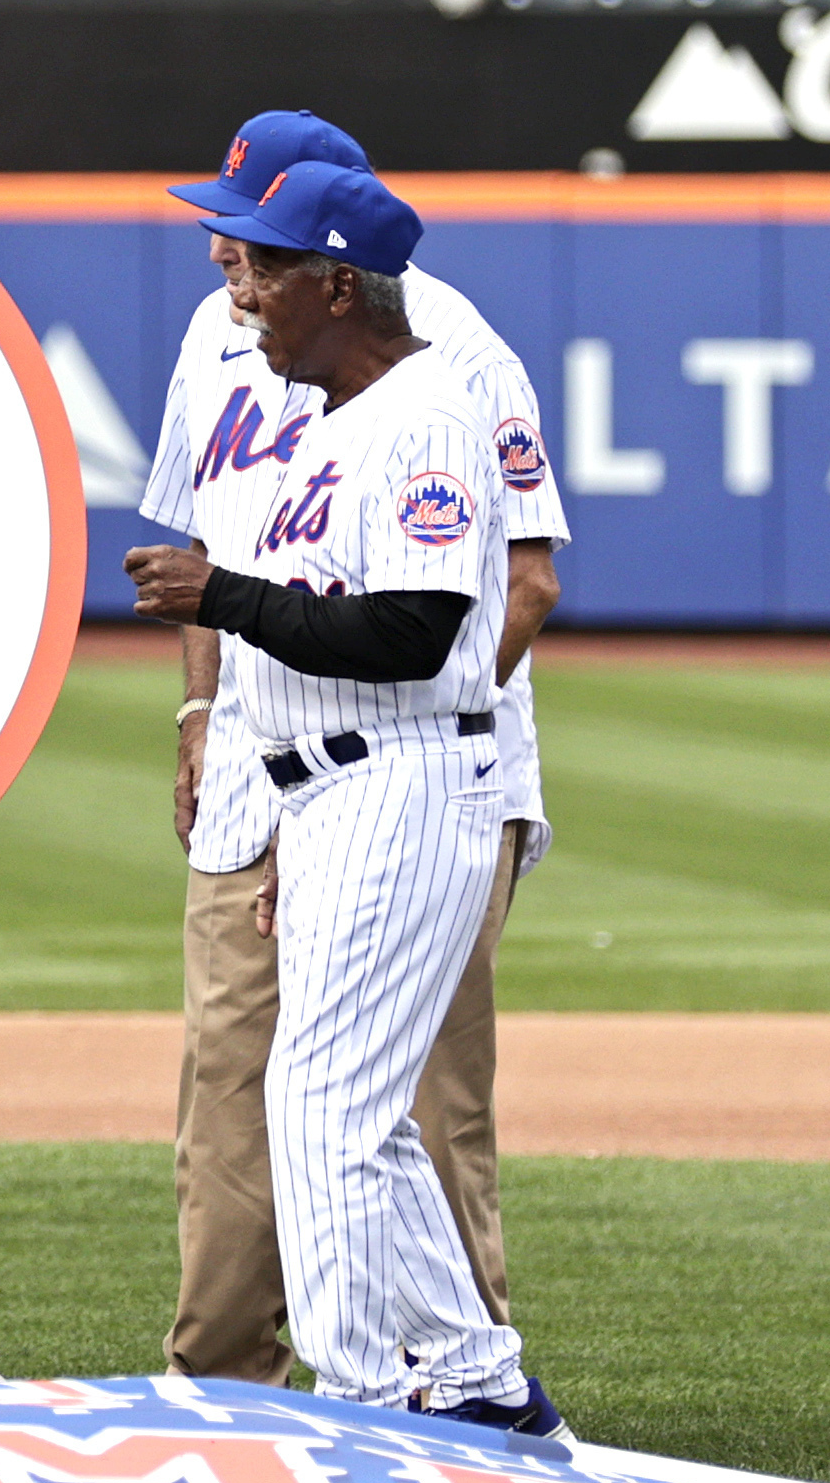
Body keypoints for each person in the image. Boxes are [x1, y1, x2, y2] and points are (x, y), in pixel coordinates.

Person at [139, 116, 567, 1390]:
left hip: (405, 773)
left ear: (326, 256)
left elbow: (479, 606)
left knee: (378, 1110)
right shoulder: (274, 368)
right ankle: (416, 1384)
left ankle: (391, 1396)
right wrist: (226, 732)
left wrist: (380, 763)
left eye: (256, 237)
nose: (230, 258)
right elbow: (244, 551)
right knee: (271, 1099)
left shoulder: (445, 378)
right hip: (294, 782)